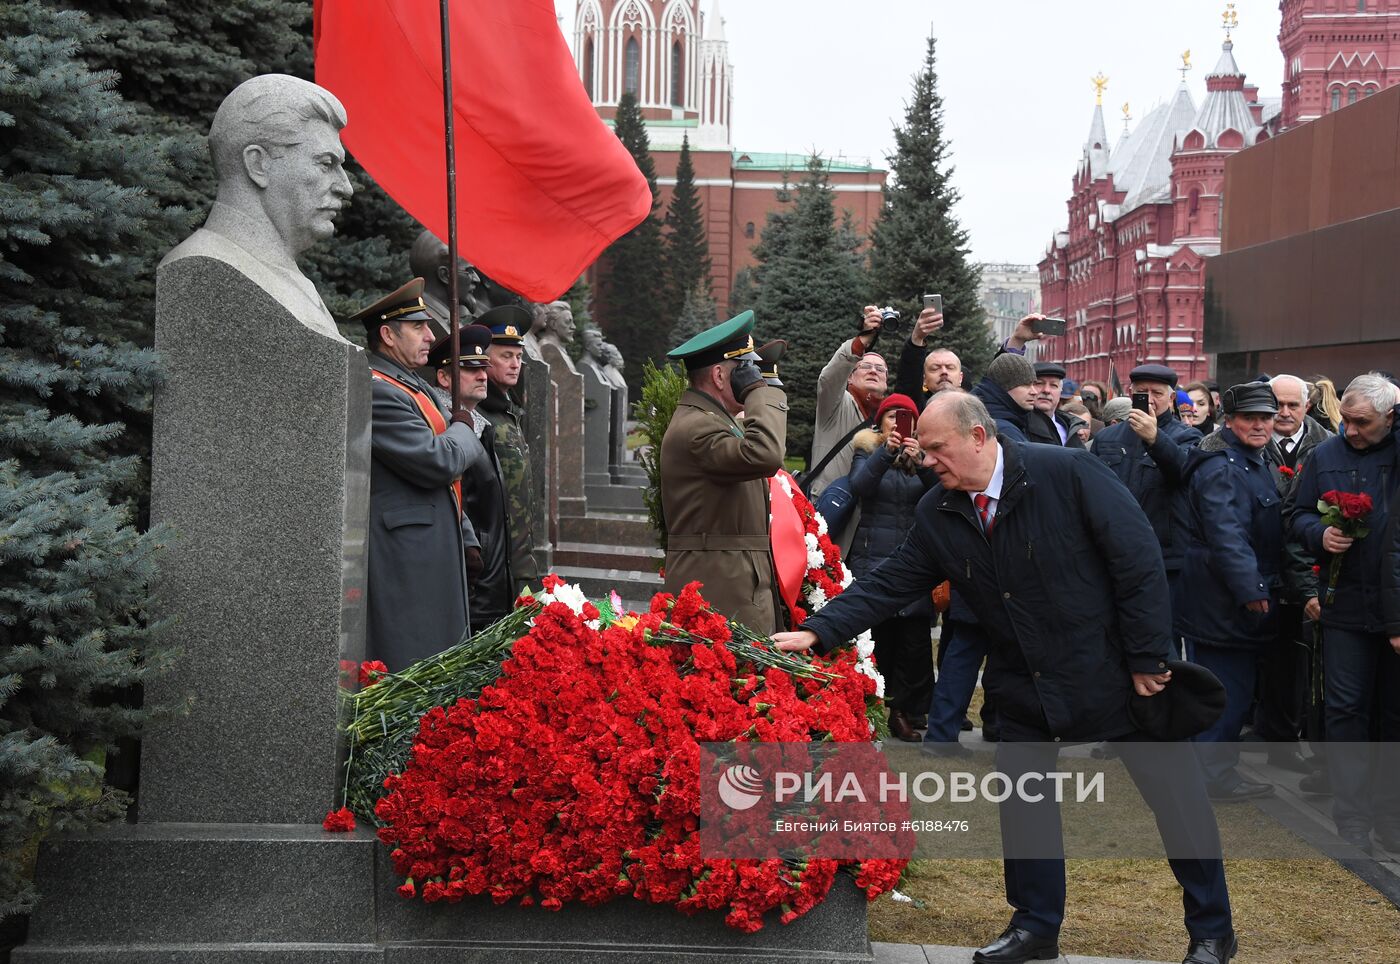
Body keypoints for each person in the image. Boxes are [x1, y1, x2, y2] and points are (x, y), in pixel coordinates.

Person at [774, 392, 1235, 964]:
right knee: (1026, 804)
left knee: (1177, 800)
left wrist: (1146, 657)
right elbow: (892, 580)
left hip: (1115, 671)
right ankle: (1035, 925)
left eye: (938, 447)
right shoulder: (938, 510)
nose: (927, 458)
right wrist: (820, 631)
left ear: (977, 436)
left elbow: (1136, 558)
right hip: (1023, 678)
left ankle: (1212, 931)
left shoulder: (1065, 471)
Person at [1286, 373, 1400, 855]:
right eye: (1346, 420)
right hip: (1347, 604)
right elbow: (1294, 515)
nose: (1351, 430)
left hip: (1396, 608)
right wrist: (1320, 534)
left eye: (1363, 423)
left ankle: (1392, 820)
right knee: (1346, 711)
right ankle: (1351, 819)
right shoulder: (1326, 454)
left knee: (1394, 717)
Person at [162, 74, 353, 342]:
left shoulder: (293, 279)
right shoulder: (205, 269)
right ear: (258, 165)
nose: (346, 188)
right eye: (325, 164)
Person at [353, 279, 483, 670]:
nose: (431, 335)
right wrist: (464, 426)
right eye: (418, 328)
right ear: (388, 335)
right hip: (407, 553)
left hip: (433, 542)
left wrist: (466, 534)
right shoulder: (380, 390)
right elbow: (436, 461)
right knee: (415, 661)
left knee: (439, 658)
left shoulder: (409, 385)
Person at [1176, 384, 1286, 802]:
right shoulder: (1223, 466)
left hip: (1226, 597)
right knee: (1226, 692)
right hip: (1223, 602)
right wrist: (1251, 589)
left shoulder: (1251, 459)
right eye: (1250, 418)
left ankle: (1211, 772)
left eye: (1266, 417)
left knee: (1227, 688)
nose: (1259, 425)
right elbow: (1227, 535)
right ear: (1229, 420)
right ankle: (1212, 778)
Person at [660, 310, 787, 633]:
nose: (752, 377)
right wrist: (759, 392)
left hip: (731, 581)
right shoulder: (698, 427)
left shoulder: (714, 420)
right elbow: (766, 453)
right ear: (719, 376)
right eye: (743, 370)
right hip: (720, 590)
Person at [846, 393, 938, 742]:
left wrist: (924, 464)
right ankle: (870, 709)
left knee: (913, 643)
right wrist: (886, 454)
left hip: (915, 559)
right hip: (873, 558)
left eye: (906, 418)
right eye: (892, 418)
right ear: (881, 423)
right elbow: (859, 487)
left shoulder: (924, 456)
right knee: (877, 640)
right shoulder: (867, 450)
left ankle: (904, 710)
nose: (898, 424)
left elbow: (940, 495)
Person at [1252, 374, 1331, 771]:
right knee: (1266, 660)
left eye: (1291, 405)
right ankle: (1269, 736)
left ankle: (1299, 746)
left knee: (1301, 664)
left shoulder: (1328, 445)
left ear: (1306, 406)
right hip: (1261, 569)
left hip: (1310, 573)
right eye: (1275, 405)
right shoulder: (1245, 440)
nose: (1282, 413)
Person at [425, 325, 517, 630]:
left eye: (483, 367)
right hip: (467, 580)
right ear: (444, 377)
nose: (482, 376)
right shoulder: (440, 425)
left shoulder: (481, 425)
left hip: (489, 577)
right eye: (469, 368)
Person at [1092, 364, 1203, 587]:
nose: (1150, 399)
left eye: (1158, 393)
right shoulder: (1106, 438)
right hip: (1113, 551)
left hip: (1165, 555)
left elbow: (1184, 472)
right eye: (1143, 392)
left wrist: (1155, 439)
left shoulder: (1188, 436)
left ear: (1171, 398)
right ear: (1131, 393)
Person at [479, 306, 542, 597]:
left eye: (518, 357)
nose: (515, 364)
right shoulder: (480, 414)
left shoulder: (507, 411)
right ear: (483, 358)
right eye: (505, 356)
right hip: (493, 564)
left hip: (519, 559)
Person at [807, 308, 891, 502]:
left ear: (886, 381)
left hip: (868, 521)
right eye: (865, 366)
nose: (873, 371)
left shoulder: (889, 418)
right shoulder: (835, 405)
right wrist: (862, 341)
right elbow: (829, 378)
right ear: (850, 377)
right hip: (831, 512)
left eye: (880, 369)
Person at [893, 305, 958, 407]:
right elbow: (909, 382)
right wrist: (917, 338)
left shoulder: (975, 411)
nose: (944, 372)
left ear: (961, 378)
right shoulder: (918, 410)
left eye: (950, 368)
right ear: (924, 380)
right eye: (935, 368)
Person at [971, 353, 1036, 442]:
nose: (1034, 392)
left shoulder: (1012, 418)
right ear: (1004, 387)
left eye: (1034, 384)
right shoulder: (1005, 430)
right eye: (1025, 385)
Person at [1027, 362, 1086, 449]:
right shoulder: (1020, 424)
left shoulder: (1069, 426)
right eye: (1039, 383)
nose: (1046, 390)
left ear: (1060, 392)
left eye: (1053, 385)